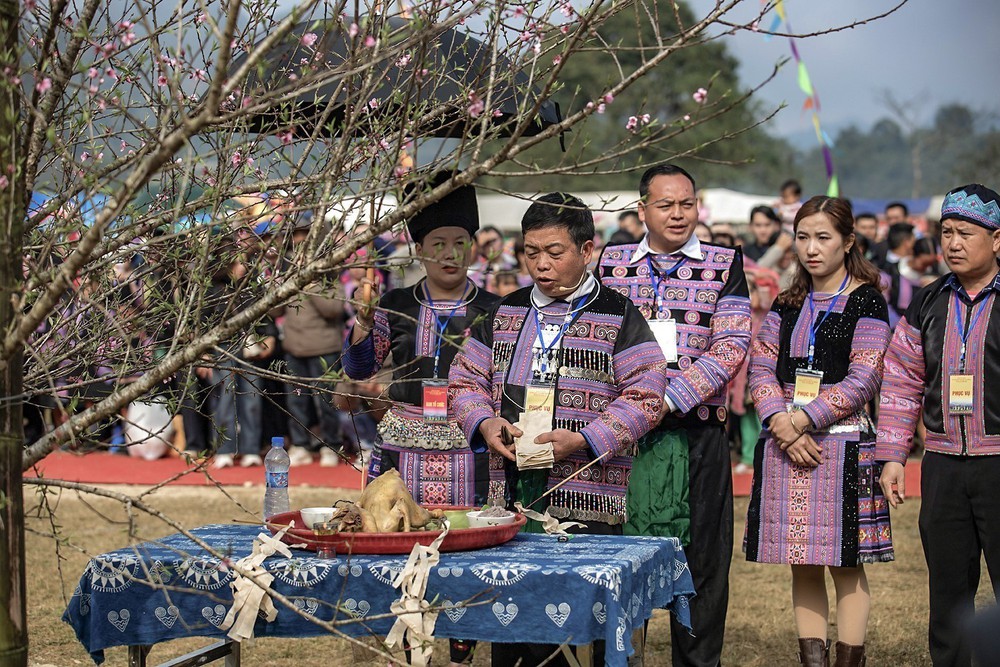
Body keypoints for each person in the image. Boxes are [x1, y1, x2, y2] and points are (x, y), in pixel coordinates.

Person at [449, 191, 666, 667]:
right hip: (507, 493)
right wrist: (484, 421)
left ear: (586, 250)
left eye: (554, 252)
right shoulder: (504, 312)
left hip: (586, 493)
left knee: (583, 620)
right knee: (512, 614)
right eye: (531, 252)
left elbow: (648, 392)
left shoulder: (618, 313)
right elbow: (464, 380)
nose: (541, 265)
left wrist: (587, 439)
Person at [596, 164, 752, 667]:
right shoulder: (611, 262)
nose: (678, 214)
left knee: (703, 561)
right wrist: (631, 410)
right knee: (619, 556)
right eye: (666, 204)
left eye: (687, 203)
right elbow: (597, 334)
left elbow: (732, 345)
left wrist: (666, 400)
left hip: (697, 432)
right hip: (624, 439)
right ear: (642, 209)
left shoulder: (724, 263)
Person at [744, 196, 893, 667]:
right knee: (802, 562)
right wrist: (781, 424)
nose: (811, 248)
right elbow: (760, 368)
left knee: (846, 563)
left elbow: (865, 375)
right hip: (784, 444)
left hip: (843, 445)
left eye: (823, 237)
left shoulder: (868, 299)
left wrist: (802, 420)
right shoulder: (787, 302)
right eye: (803, 237)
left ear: (848, 242)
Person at [877, 184, 1000, 667]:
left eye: (965, 233)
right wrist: (892, 455)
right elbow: (901, 381)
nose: (953, 243)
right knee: (948, 592)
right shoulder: (927, 302)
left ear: (996, 239)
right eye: (947, 232)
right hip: (943, 467)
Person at [271, 216, 349, 468]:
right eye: (295, 238)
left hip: (324, 349)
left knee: (327, 402)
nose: (299, 244)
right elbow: (274, 311)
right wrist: (280, 285)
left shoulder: (328, 277)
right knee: (296, 402)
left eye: (303, 236)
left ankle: (331, 445)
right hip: (294, 348)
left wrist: (311, 282)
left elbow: (334, 310)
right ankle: (301, 444)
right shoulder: (287, 275)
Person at [468, 224, 517, 291]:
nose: (490, 246)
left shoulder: (516, 265)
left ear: (502, 240)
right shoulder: (476, 274)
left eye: (493, 241)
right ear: (480, 248)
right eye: (485, 244)